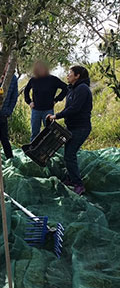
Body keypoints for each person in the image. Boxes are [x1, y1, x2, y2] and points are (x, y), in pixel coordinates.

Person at [47, 65, 93, 195]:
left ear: (77, 76)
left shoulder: (82, 89)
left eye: (70, 73)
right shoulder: (72, 89)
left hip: (81, 128)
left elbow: (74, 109)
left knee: (70, 155)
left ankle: (78, 184)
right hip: (72, 127)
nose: (67, 75)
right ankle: (71, 178)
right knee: (67, 154)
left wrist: (56, 116)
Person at [24, 60, 68, 141]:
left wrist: (57, 99)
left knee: (50, 132)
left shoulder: (53, 79)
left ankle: (50, 150)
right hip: (36, 110)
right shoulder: (33, 80)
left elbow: (66, 88)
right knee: (35, 132)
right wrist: (29, 102)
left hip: (48, 110)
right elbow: (26, 90)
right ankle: (33, 150)